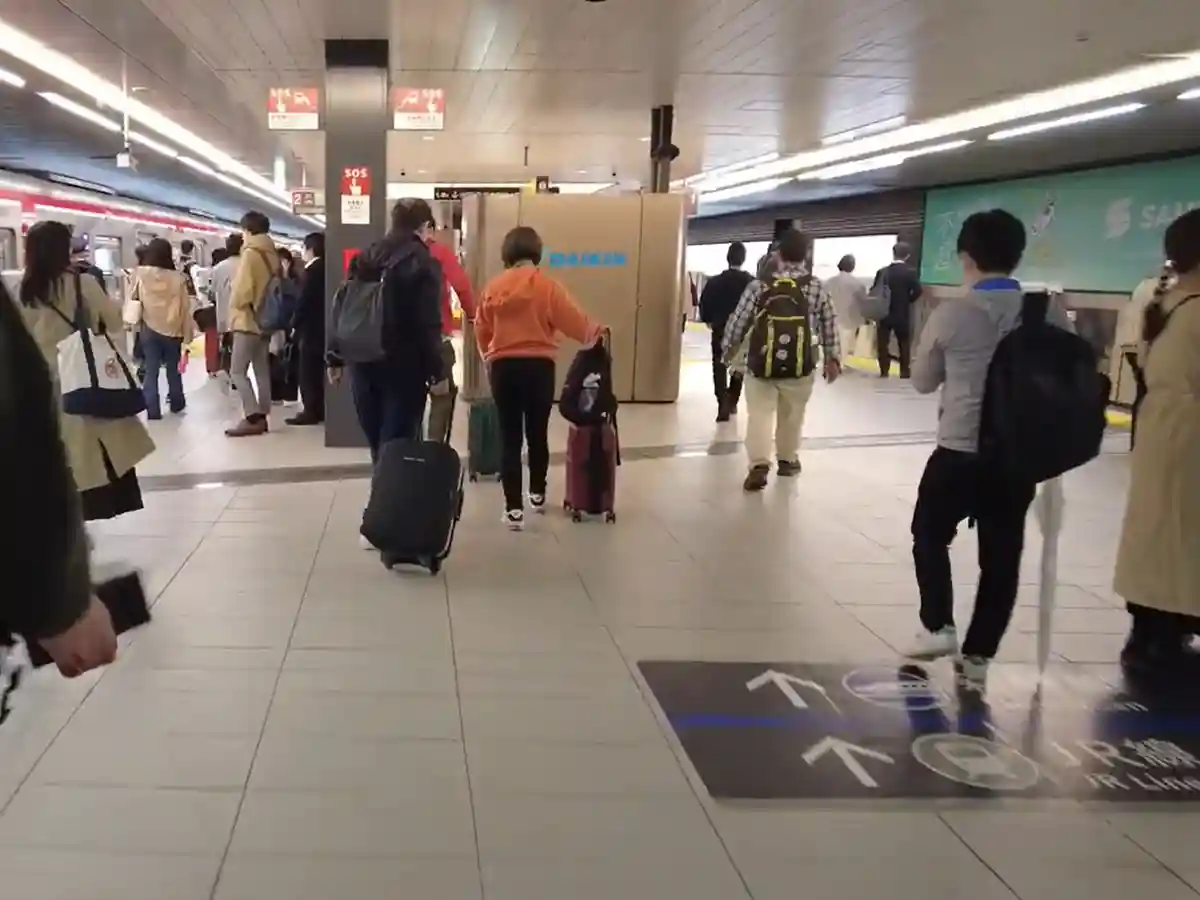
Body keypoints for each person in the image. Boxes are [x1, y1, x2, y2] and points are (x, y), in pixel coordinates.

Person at [905, 209, 1072, 683]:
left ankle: (938, 624)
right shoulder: (1048, 312)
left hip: (958, 449)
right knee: (1001, 557)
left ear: (965, 257)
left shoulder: (953, 312)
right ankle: (978, 658)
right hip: (1017, 456)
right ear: (1017, 256)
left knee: (929, 534)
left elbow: (921, 381)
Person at [0, 277, 118, 680]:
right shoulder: (82, 283)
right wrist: (59, 604)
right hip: (73, 383)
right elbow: (20, 445)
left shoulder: (27, 289)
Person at [17, 221, 155, 522]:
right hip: (81, 380)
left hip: (40, 387)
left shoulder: (19, 291)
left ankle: (55, 522)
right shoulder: (84, 284)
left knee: (50, 457)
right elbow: (114, 325)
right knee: (86, 457)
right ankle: (84, 521)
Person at [1113, 210, 1200, 677]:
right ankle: (1168, 633)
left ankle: (1148, 631)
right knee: (1183, 537)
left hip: (1158, 432)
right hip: (1191, 439)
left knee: (1154, 531)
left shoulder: (1157, 296)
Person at [476, 225, 603, 530]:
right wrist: (595, 334)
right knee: (537, 433)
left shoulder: (493, 288)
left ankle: (513, 509)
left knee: (509, 437)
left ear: (507, 253)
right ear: (537, 252)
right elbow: (574, 321)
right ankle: (537, 494)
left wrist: (487, 358)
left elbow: (482, 329)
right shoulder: (547, 287)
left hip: (503, 367)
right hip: (539, 368)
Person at [327, 198, 444, 474]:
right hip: (404, 364)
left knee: (378, 442)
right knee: (399, 442)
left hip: (362, 359)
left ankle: (384, 497)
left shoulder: (364, 256)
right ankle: (393, 506)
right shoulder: (422, 261)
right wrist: (437, 370)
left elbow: (343, 306)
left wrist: (334, 357)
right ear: (425, 226)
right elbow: (427, 322)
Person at [721, 228, 841, 492]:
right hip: (800, 365)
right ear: (806, 255)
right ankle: (787, 459)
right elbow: (830, 324)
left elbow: (738, 322)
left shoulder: (760, 286)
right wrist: (833, 358)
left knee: (760, 414)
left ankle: (759, 464)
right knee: (792, 414)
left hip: (760, 364)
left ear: (778, 254)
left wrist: (728, 350)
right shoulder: (816, 287)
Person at [418, 207, 476, 442]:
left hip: (400, 340)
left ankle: (407, 451)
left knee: (407, 399)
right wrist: (472, 315)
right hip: (436, 338)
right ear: (429, 228)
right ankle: (434, 448)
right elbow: (461, 285)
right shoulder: (439, 253)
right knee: (442, 395)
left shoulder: (389, 252)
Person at [225, 212, 279, 437]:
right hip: (266, 319)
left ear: (247, 230)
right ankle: (263, 415)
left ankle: (252, 417)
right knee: (261, 369)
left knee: (237, 371)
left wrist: (234, 297)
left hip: (248, 321)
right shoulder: (271, 253)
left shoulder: (250, 253)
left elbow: (242, 293)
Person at [131, 237, 194, 419]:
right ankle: (176, 403)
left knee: (151, 370)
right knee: (173, 369)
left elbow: (134, 299)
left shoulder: (141, 275)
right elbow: (184, 307)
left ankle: (152, 410)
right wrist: (187, 334)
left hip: (149, 329)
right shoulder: (178, 279)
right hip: (172, 329)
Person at [699, 241, 754, 422]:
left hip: (720, 328)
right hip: (743, 332)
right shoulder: (750, 282)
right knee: (739, 366)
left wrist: (709, 320)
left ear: (727, 258)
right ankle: (732, 400)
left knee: (719, 364)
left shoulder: (714, 282)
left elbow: (704, 304)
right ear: (743, 259)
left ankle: (722, 400)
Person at [287, 232, 327, 425]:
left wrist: (294, 324)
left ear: (310, 249)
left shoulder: (312, 271)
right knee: (317, 370)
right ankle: (319, 408)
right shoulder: (327, 267)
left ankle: (311, 410)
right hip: (322, 327)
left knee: (307, 370)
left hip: (310, 329)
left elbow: (304, 301)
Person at [870, 241, 923, 378]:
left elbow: (874, 291)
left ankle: (884, 370)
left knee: (883, 342)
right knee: (903, 343)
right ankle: (904, 372)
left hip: (884, 312)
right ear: (908, 255)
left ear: (893, 253)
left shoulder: (882, 272)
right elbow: (918, 290)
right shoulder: (910, 272)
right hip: (902, 313)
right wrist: (908, 300)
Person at [825, 254, 867, 360]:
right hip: (849, 320)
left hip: (831, 317)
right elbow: (863, 302)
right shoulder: (858, 284)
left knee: (832, 345)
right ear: (852, 266)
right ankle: (840, 365)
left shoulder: (828, 282)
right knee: (844, 345)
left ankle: (831, 363)